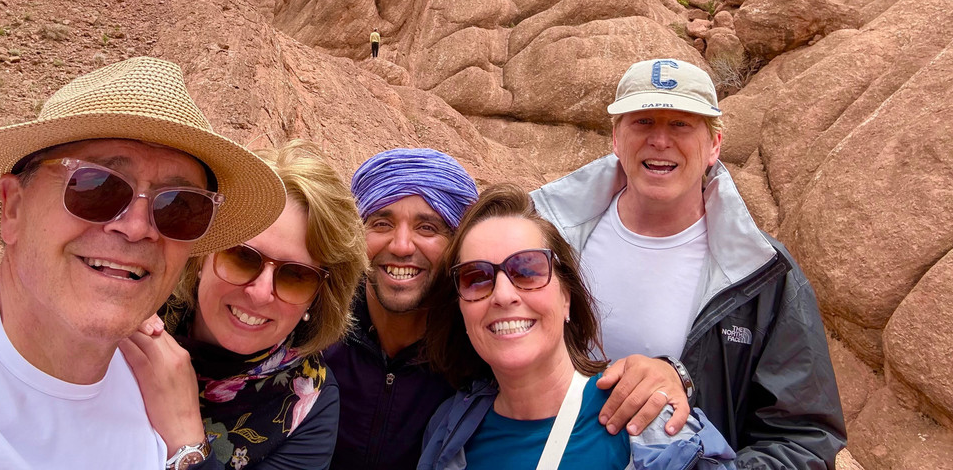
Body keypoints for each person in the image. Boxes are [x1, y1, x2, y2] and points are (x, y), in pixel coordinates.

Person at [0, 56, 286, 469]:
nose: (138, 227)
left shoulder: (155, 400)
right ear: (13, 207)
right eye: (98, 186)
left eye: (179, 206)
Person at [532, 58, 847, 468]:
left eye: (681, 124)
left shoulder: (763, 274)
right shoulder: (547, 238)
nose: (660, 141)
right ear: (616, 137)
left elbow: (805, 438)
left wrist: (684, 386)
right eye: (643, 122)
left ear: (714, 144)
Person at [418, 185, 736, 470]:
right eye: (476, 278)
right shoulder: (448, 431)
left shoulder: (647, 423)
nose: (503, 295)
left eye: (527, 270)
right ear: (460, 308)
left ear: (566, 296)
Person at [122, 140, 369, 470]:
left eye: (296, 276)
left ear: (318, 297)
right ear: (201, 255)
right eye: (241, 257)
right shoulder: (127, 321)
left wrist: (185, 438)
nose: (260, 293)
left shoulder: (310, 404)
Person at [323, 148, 478, 470]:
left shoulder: (478, 352)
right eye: (381, 223)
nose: (401, 246)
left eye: (427, 228)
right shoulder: (313, 330)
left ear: (457, 246)